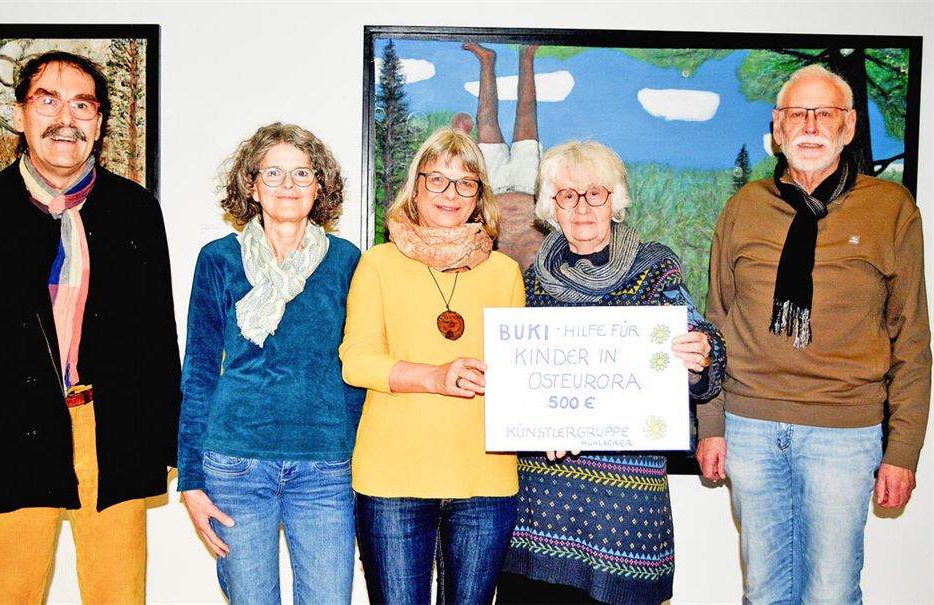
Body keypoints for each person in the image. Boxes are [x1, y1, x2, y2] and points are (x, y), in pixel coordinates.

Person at [0, 51, 181, 604]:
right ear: (19, 116)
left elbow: (157, 334)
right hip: (5, 433)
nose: (66, 118)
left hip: (110, 434)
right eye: (48, 100)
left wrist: (166, 438)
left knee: (118, 595)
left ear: (100, 122)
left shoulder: (136, 211)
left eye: (82, 104)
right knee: (7, 595)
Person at [696, 64, 930, 604]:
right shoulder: (744, 207)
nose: (810, 125)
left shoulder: (891, 209)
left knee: (830, 593)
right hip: (749, 426)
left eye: (823, 113)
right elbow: (714, 324)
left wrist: (903, 451)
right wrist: (712, 425)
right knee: (763, 593)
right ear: (777, 129)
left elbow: (912, 340)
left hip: (844, 433)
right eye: (797, 114)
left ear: (848, 127)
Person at [497, 141, 726, 605]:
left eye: (595, 193)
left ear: (615, 200)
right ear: (550, 206)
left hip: (624, 510)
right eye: (566, 195)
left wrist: (699, 354)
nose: (582, 207)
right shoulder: (530, 281)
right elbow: (515, 385)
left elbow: (710, 354)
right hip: (542, 507)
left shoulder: (653, 268)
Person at [177, 123, 365, 604]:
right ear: (252, 185)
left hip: (325, 467)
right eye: (274, 172)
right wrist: (192, 481)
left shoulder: (346, 261)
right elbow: (198, 371)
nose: (288, 185)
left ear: (320, 185)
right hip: (235, 464)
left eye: (302, 173)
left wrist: (358, 461)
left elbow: (356, 371)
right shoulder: (218, 259)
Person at [340, 127, 524, 604]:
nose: (451, 194)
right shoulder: (377, 264)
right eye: (437, 180)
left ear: (479, 197)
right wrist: (436, 378)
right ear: (415, 188)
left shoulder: (504, 273)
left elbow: (522, 374)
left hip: (485, 481)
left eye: (466, 183)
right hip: (392, 481)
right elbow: (356, 362)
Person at [463, 42, 545, 270]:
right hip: (528, 187)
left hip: (494, 187)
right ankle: (526, 56)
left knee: (486, 119)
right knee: (527, 116)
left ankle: (487, 60)